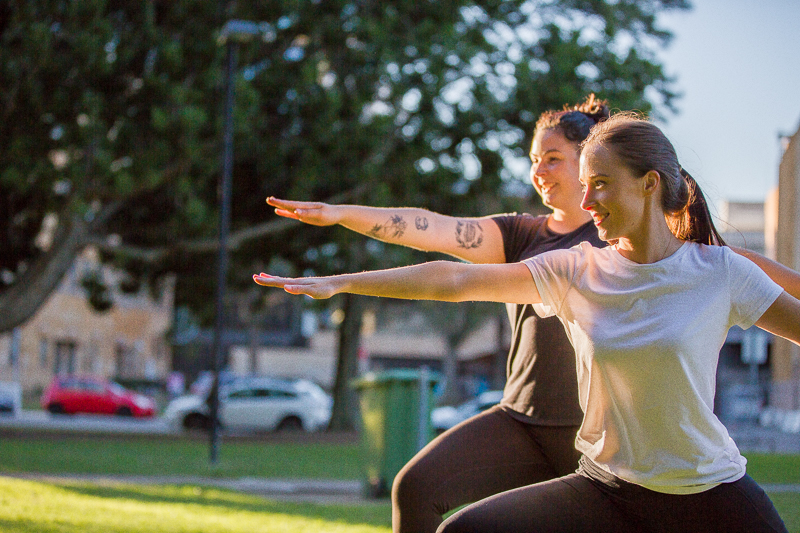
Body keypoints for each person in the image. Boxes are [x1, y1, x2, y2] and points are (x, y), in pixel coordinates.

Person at [254, 112, 794, 532]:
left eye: (599, 184)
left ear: (650, 183)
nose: (586, 200)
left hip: (707, 491)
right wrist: (344, 282)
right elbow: (455, 280)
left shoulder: (719, 272)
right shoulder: (577, 270)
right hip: (607, 486)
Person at [267, 95, 609, 532]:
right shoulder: (520, 234)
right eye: (534, 159)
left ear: (589, 162)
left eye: (554, 159)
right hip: (521, 421)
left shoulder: (616, 239)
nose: (538, 172)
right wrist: (342, 215)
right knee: (415, 487)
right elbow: (429, 227)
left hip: (592, 437)